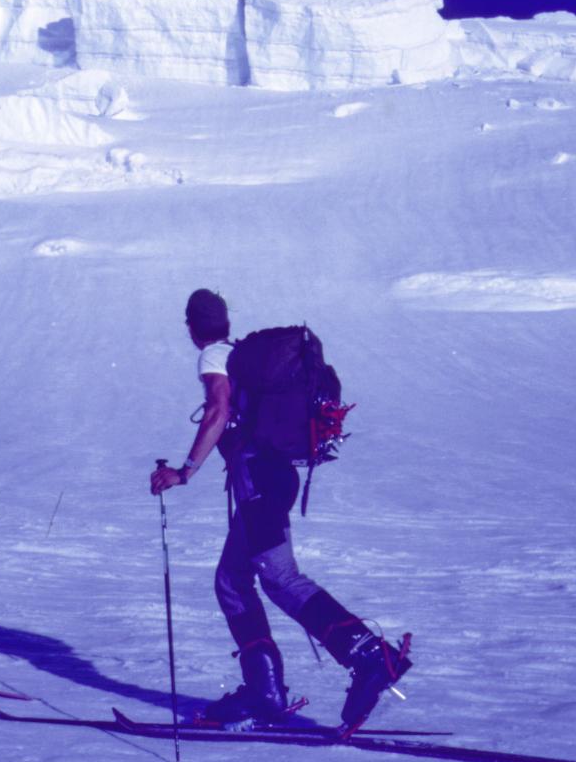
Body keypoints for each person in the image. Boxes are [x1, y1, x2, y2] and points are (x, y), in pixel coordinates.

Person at [150, 289, 411, 730]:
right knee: (232, 581)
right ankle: (263, 692)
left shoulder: (215, 357)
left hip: (259, 480)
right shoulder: (241, 355)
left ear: (191, 326)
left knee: (280, 577)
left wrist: (185, 471)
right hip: (273, 477)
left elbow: (216, 411)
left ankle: (370, 656)